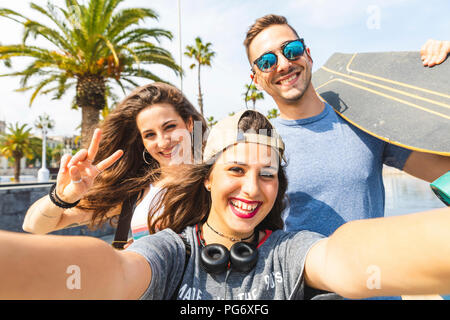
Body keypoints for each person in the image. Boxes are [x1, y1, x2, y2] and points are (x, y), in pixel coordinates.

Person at [1, 109, 450, 300]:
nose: (253, 189)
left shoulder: (290, 251)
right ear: (209, 179)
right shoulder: (173, 252)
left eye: (267, 174)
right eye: (236, 170)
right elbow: (113, 271)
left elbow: (348, 257)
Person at [243, 14, 450, 237]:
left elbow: (443, 171)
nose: (284, 64)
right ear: (256, 80)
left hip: (371, 270)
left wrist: (442, 71)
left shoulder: (363, 121)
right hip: (297, 272)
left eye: (291, 49)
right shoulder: (260, 144)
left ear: (308, 55)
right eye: (267, 62)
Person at [22, 82, 207, 247]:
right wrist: (63, 196)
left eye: (170, 127)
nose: (163, 141)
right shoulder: (135, 195)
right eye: (150, 135)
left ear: (189, 124)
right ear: (142, 141)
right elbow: (33, 226)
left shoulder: (219, 179)